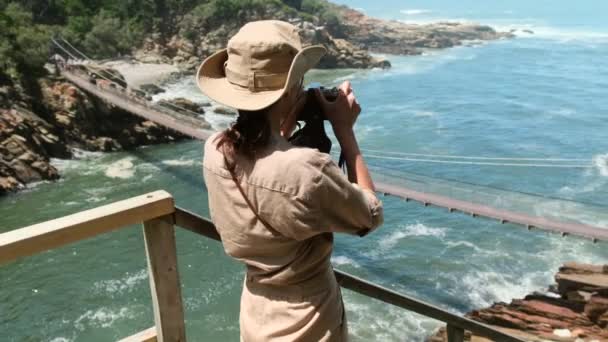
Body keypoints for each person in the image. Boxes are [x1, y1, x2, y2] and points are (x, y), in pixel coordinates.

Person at [198, 20, 384, 341]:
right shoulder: (306, 170)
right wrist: (345, 131)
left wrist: (285, 125)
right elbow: (370, 216)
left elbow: (262, 165)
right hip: (308, 320)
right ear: (291, 87)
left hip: (257, 311)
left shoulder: (215, 150)